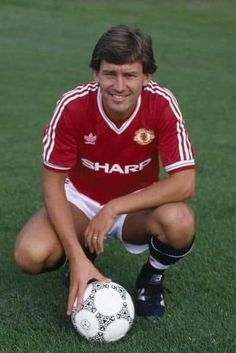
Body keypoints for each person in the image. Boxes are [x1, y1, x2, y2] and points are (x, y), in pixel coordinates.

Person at [14, 24, 196, 320]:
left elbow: (185, 183)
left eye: (130, 75)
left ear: (146, 77)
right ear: (95, 73)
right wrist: (74, 257)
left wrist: (114, 208)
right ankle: (83, 254)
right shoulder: (72, 106)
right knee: (30, 254)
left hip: (135, 205)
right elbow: (52, 186)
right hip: (81, 201)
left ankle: (151, 279)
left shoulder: (162, 103)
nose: (119, 85)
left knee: (180, 222)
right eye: (110, 73)